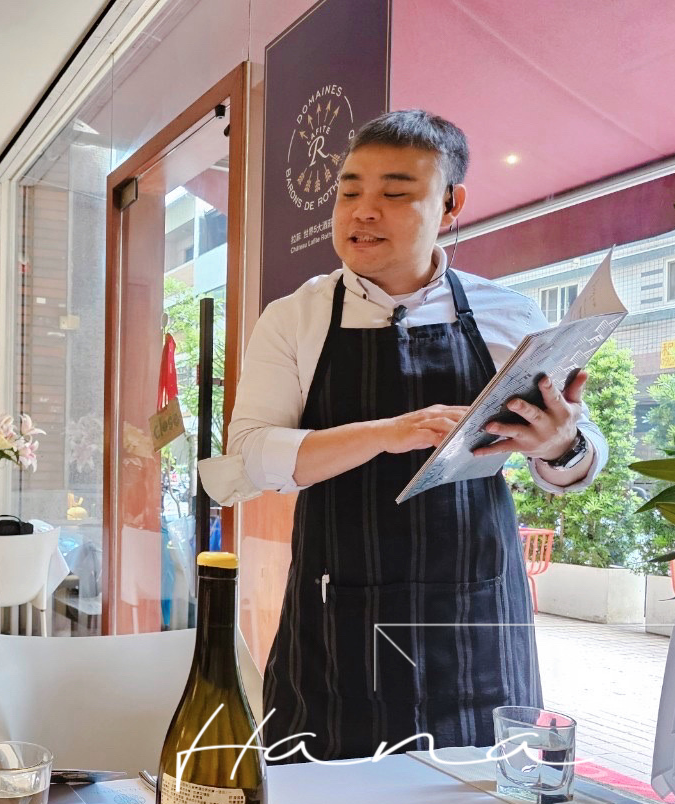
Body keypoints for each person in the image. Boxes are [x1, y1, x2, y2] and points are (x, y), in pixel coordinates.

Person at [199, 110, 607, 762]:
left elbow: (575, 459)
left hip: (476, 622)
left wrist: (561, 444)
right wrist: (387, 433)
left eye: (394, 194)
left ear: (451, 203)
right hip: (337, 626)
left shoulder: (509, 315)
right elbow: (252, 454)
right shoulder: (296, 318)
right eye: (349, 190)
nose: (363, 212)